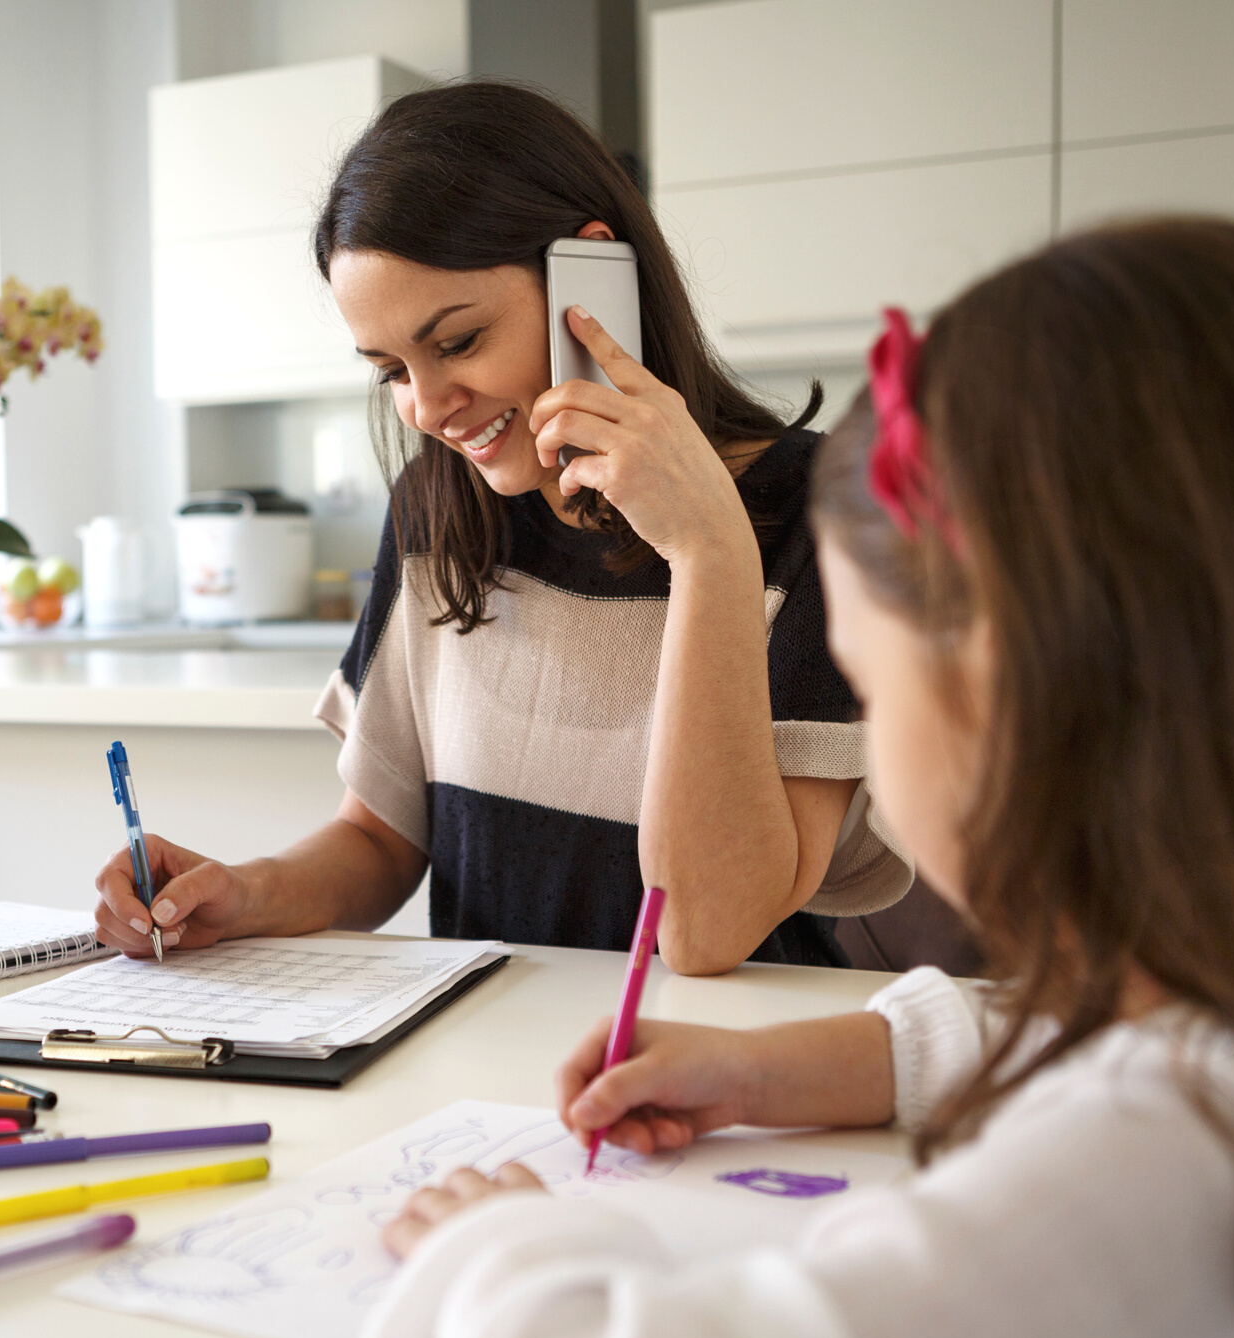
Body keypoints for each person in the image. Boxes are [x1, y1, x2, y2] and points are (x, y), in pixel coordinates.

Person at [348, 219, 1234, 1338]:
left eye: (871, 688)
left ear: (1011, 685)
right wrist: (788, 1069)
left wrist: (501, 1247)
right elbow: (1077, 1027)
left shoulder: (1163, 1162)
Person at [94, 82, 909, 973]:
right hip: (489, 1051)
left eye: (457, 343)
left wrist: (708, 549)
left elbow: (703, 930)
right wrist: (242, 894)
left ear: (592, 277)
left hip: (724, 1054)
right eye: (390, 370)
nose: (426, 407)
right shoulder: (435, 510)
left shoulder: (817, 516)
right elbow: (380, 838)